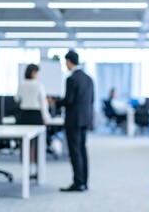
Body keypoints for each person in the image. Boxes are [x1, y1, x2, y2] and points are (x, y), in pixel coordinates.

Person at [56, 50, 94, 192]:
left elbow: (68, 100)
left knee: (75, 152)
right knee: (83, 150)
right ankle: (84, 181)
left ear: (68, 61)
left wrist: (56, 102)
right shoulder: (89, 79)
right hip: (85, 119)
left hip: (73, 121)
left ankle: (78, 183)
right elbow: (91, 100)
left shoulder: (71, 79)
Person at [14, 63, 51, 175]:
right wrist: (46, 117)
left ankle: (26, 168)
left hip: (23, 115)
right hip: (35, 115)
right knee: (36, 144)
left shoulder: (21, 84)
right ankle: (36, 169)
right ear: (33, 73)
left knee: (24, 144)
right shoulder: (39, 85)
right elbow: (43, 104)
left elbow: (16, 99)